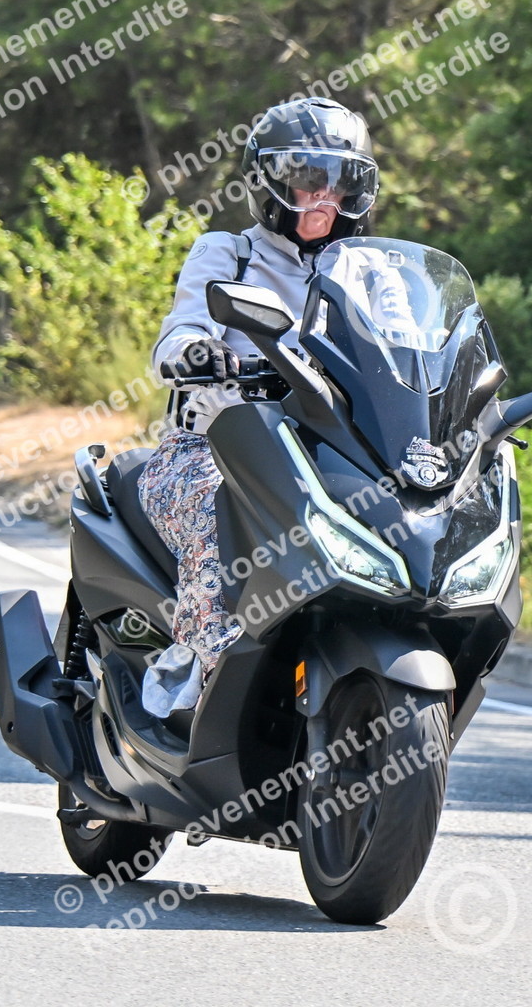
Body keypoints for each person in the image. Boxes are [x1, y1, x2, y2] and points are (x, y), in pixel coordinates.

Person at [137, 97, 380, 716]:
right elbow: (181, 330)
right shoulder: (228, 253)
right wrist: (196, 351)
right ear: (270, 183)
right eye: (307, 180)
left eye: (339, 182)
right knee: (218, 509)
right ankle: (201, 673)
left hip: (327, 454)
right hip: (213, 448)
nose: (323, 197)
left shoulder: (369, 273)